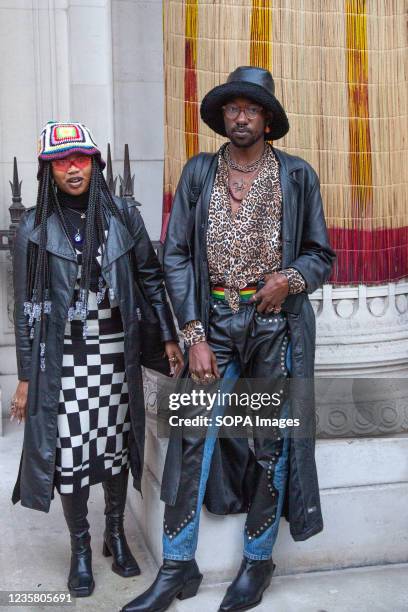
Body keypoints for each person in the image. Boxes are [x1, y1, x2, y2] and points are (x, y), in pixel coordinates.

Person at [121, 66, 335, 612]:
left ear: (267, 119)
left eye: (252, 109)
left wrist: (288, 280)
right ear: (222, 117)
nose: (241, 117)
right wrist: (192, 333)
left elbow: (320, 255)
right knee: (193, 439)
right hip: (212, 325)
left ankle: (258, 563)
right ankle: (176, 568)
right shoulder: (198, 174)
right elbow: (175, 256)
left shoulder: (297, 176)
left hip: (271, 328)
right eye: (233, 108)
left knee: (269, 445)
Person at [10, 121, 183, 598]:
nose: (73, 168)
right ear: (48, 169)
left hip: (114, 355)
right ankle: (81, 548)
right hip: (63, 360)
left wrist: (168, 336)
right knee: (71, 454)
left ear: (95, 165)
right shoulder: (32, 227)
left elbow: (150, 278)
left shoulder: (120, 214)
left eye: (81, 159)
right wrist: (26, 376)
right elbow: (24, 311)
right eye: (62, 161)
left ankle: (115, 534)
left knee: (113, 448)